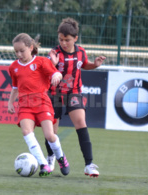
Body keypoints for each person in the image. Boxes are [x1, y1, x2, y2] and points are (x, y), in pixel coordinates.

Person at [45, 18, 106, 177]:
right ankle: (51, 157)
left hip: (74, 92)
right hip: (55, 93)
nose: (63, 43)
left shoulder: (81, 52)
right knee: (52, 130)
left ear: (75, 39)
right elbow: (46, 72)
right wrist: (52, 64)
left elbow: (84, 64)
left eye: (67, 40)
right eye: (61, 39)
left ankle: (89, 164)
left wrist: (95, 65)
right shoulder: (54, 53)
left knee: (81, 122)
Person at [8, 33, 70, 177]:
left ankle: (61, 157)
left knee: (50, 135)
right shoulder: (13, 67)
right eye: (16, 51)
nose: (19, 54)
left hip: (42, 102)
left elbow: (57, 74)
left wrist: (56, 76)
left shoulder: (42, 62)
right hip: (24, 105)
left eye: (22, 51)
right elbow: (15, 87)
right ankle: (44, 164)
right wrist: (11, 102)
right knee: (26, 132)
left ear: (30, 48)